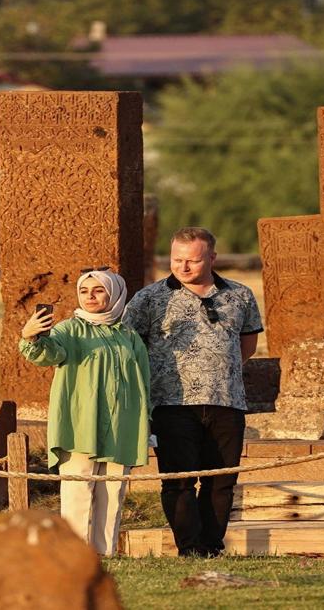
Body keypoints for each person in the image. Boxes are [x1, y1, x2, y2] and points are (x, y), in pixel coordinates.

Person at [123, 227, 263, 557]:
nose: (183, 267)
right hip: (172, 404)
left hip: (226, 401)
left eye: (193, 260)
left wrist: (218, 369)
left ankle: (211, 545)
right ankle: (189, 547)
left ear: (212, 258)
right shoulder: (150, 298)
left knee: (221, 480)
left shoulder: (240, 294)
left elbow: (248, 344)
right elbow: (130, 344)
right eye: (177, 260)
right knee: (179, 481)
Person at [18, 267, 150, 556]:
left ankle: (105, 555)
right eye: (84, 291)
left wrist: (147, 423)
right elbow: (49, 353)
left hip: (122, 425)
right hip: (80, 424)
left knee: (113, 495)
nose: (90, 297)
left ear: (114, 293)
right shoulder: (69, 329)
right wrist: (31, 338)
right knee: (77, 493)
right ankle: (74, 557)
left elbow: (144, 381)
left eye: (98, 290)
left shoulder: (128, 335)